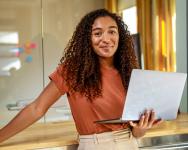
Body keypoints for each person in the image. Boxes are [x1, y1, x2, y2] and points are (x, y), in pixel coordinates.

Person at [0, 9, 162, 149]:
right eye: (97, 33)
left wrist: (141, 128)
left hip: (130, 145)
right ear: (87, 39)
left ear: (119, 36)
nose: (106, 39)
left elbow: (135, 132)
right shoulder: (73, 70)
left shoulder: (129, 72)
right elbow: (37, 109)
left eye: (112, 31)